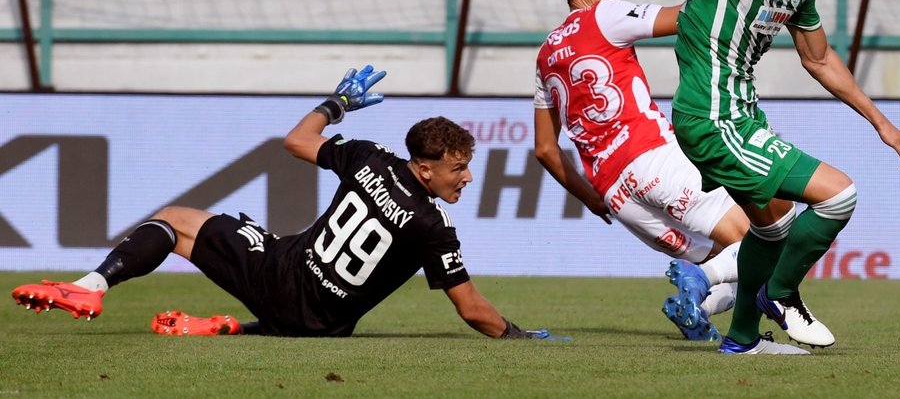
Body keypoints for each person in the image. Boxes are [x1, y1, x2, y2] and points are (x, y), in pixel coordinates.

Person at [514, 0, 900, 355]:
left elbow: (818, 58)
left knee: (770, 229)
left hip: (618, 184)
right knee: (838, 197)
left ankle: (741, 338)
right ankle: (778, 294)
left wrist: (880, 121)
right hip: (707, 124)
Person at [11, 65, 563, 341]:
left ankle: (89, 287)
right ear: (425, 167)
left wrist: (337, 103)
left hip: (277, 277)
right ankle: (227, 328)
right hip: (318, 327)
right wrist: (520, 336)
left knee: (175, 221)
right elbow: (471, 311)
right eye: (457, 167)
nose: (466, 177)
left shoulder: (370, 160)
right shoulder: (432, 226)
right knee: (294, 304)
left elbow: (296, 141)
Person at [530, 0, 819, 347]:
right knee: (767, 237)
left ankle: (701, 312)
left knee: (721, 257)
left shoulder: (545, 55)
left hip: (615, 193)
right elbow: (688, 17)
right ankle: (735, 325)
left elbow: (545, 148)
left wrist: (593, 199)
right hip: (654, 158)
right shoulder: (605, 15)